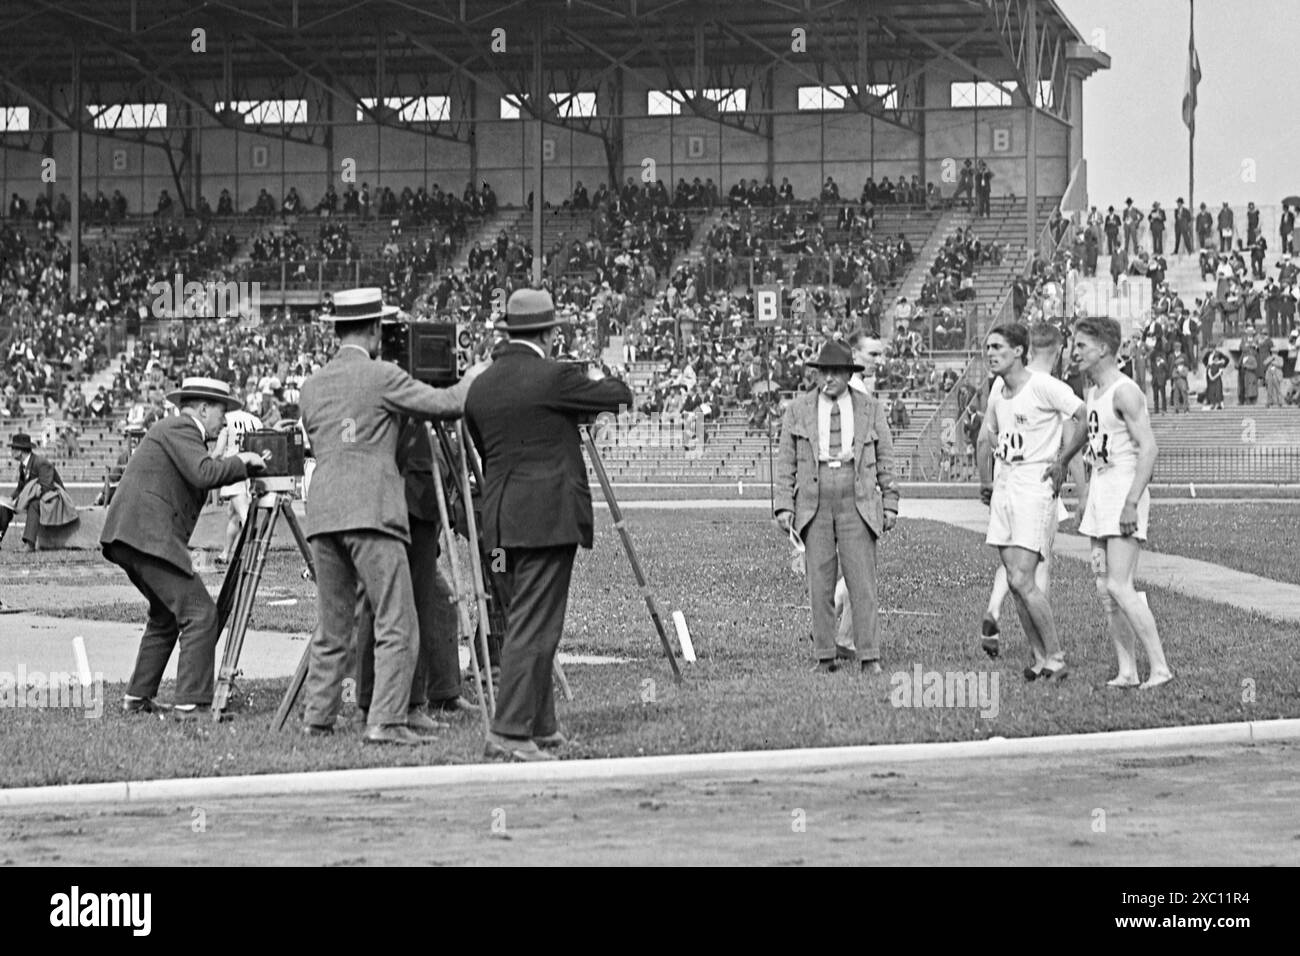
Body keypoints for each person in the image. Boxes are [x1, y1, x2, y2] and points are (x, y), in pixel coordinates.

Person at [298, 288, 485, 745]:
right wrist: (475, 376)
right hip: (372, 510)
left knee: (333, 624)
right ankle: (386, 719)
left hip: (323, 511)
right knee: (396, 619)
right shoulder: (382, 375)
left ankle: (317, 718)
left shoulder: (312, 385)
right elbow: (448, 405)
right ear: (376, 329)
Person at [465, 288, 633, 761]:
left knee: (522, 619)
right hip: (544, 523)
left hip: (497, 528)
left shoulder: (481, 385)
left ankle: (542, 727)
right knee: (536, 628)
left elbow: (484, 444)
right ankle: (510, 731)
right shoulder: (556, 377)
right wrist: (594, 374)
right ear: (549, 332)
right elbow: (618, 399)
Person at [102, 378, 267, 717]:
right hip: (148, 537)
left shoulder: (177, 433)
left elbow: (196, 475)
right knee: (200, 613)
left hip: (133, 537)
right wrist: (243, 461)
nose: (225, 421)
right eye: (223, 412)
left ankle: (137, 698)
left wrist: (219, 457)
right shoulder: (180, 427)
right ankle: (192, 704)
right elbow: (204, 474)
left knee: (164, 616)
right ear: (203, 408)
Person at [775, 340, 899, 676]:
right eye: (822, 371)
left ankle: (869, 655)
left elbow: (886, 457)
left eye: (835, 372)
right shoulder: (798, 409)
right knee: (819, 581)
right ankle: (825, 655)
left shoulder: (869, 408)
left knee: (862, 582)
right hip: (813, 499)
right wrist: (783, 505)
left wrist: (890, 503)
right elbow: (785, 461)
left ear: (848, 374)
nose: (828, 378)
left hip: (856, 497)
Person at [978, 324, 1086, 681]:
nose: (991, 353)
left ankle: (1056, 655)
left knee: (1024, 578)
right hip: (1006, 487)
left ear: (1020, 351)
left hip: (1033, 488)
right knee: (1013, 579)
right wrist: (989, 479)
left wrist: (1062, 460)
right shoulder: (998, 394)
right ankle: (1040, 658)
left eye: (998, 347)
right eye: (988, 347)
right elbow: (990, 436)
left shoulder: (1043, 385)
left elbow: (1082, 417)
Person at [1072, 316, 1173, 689]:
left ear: (1103, 348)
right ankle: (1127, 670)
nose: (1074, 352)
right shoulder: (1094, 392)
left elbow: (1149, 448)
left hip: (1123, 489)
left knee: (1119, 584)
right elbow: (1092, 438)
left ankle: (1160, 667)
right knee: (1105, 589)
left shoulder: (1125, 391)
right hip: (1102, 488)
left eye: (1081, 345)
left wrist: (1131, 502)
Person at [212, 404, 264, 565]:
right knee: (233, 515)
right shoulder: (255, 420)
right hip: (251, 469)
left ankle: (259, 553)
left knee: (244, 515)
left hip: (233, 469)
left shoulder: (226, 419)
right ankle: (225, 554)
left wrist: (209, 461)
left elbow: (219, 451)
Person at [0, 432, 66, 552]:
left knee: (34, 504)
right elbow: (20, 488)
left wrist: (25, 499)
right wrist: (10, 500)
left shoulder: (41, 463)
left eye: (13, 448)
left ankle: (29, 544)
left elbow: (47, 488)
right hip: (37, 496)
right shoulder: (23, 465)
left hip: (54, 498)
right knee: (4, 507)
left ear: (21, 451)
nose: (11, 451)